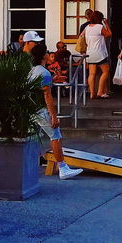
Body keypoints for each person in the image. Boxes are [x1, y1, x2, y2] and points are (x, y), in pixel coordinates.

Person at [28, 42, 83, 180]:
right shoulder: (44, 72)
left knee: (33, 138)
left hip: (30, 109)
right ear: (43, 56)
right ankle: (62, 167)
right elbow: (47, 96)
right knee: (56, 136)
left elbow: (38, 87)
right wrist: (53, 116)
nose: (48, 54)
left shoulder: (32, 71)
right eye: (46, 53)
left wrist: (53, 79)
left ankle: (31, 163)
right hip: (41, 109)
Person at [82, 10, 112, 99]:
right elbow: (109, 34)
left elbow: (81, 36)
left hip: (90, 53)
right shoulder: (99, 27)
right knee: (106, 72)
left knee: (92, 74)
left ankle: (91, 93)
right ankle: (100, 91)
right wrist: (106, 23)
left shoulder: (87, 27)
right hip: (100, 53)